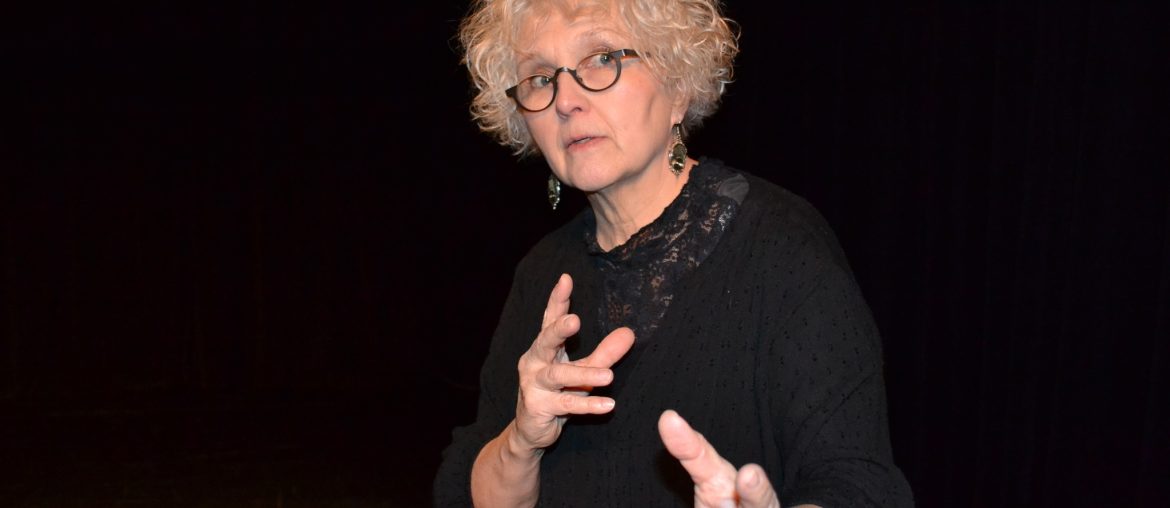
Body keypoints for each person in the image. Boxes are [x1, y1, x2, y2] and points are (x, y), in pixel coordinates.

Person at [435, 0, 914, 506]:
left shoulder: (780, 245)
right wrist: (522, 442)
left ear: (679, 86)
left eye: (602, 58)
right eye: (539, 78)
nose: (565, 101)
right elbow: (463, 493)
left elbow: (859, 484)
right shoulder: (540, 274)